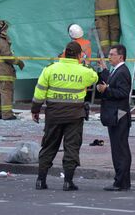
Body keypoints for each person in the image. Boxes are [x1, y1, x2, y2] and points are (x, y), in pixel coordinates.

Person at [31, 41, 98, 191]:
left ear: (64, 53)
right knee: (71, 148)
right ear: (79, 55)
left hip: (53, 115)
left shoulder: (50, 69)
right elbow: (95, 77)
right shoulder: (83, 71)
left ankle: (40, 180)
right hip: (74, 117)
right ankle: (68, 182)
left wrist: (35, 110)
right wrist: (85, 64)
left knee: (48, 146)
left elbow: (39, 92)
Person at [96, 44, 132, 191]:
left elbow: (123, 92)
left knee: (120, 149)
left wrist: (107, 89)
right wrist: (104, 70)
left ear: (120, 56)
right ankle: (122, 181)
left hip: (120, 114)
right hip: (116, 114)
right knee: (117, 148)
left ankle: (121, 182)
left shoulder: (123, 71)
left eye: (112, 54)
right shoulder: (116, 70)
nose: (109, 57)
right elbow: (111, 82)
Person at [0, 20, 25, 120]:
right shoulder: (2, 42)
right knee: (6, 94)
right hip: (4, 74)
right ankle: (7, 114)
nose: (7, 31)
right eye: (5, 29)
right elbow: (8, 57)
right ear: (2, 31)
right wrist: (19, 62)